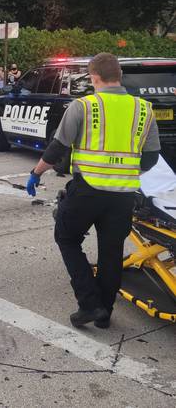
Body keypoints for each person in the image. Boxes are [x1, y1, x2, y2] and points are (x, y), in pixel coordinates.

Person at [25, 53, 160, 328]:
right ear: (119, 76)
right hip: (123, 195)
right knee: (111, 252)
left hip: (88, 190)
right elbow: (151, 157)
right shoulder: (144, 109)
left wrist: (36, 173)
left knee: (66, 236)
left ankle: (89, 304)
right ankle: (105, 313)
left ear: (94, 77)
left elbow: (57, 147)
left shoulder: (83, 106)